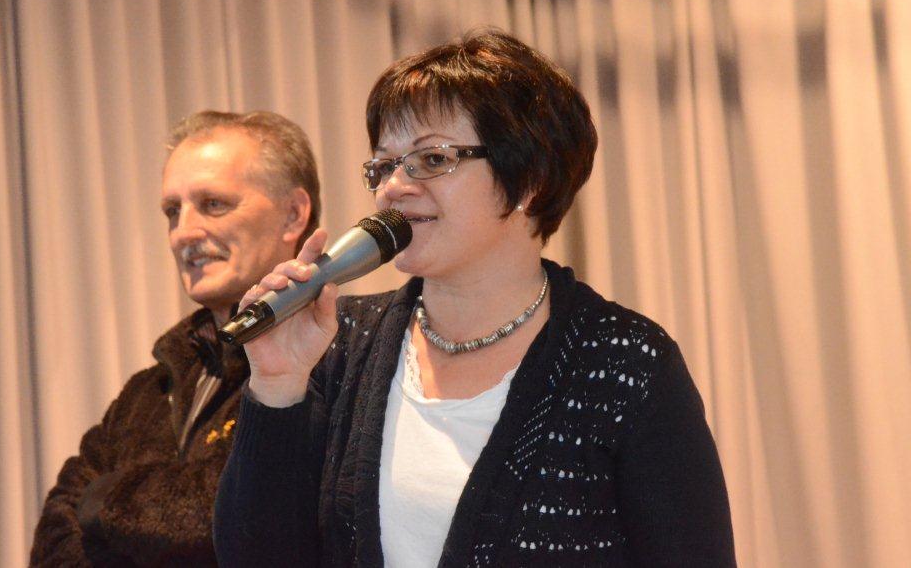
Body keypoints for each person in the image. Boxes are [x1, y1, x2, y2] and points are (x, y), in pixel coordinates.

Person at [213, 31, 737, 567]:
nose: (393, 187)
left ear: (530, 179)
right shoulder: (341, 341)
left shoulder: (624, 363)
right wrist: (277, 386)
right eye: (384, 165)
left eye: (431, 158)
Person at [30, 110, 321, 566]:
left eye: (213, 204)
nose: (183, 232)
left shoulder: (336, 357)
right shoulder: (145, 392)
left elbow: (235, 517)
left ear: (293, 214)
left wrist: (104, 499)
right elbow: (53, 539)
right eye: (172, 211)